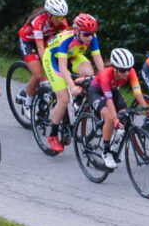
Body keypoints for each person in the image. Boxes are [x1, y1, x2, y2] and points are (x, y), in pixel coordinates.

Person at [41, 13, 105, 154]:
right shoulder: (66, 39)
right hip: (53, 59)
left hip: (73, 55)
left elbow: (98, 61)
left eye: (92, 34)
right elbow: (63, 68)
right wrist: (72, 86)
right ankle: (53, 134)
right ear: (77, 31)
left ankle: (78, 101)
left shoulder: (92, 39)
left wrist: (106, 79)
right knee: (64, 98)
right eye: (86, 34)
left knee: (89, 74)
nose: (89, 37)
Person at [86, 48, 149, 169]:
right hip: (97, 92)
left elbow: (137, 93)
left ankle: (115, 145)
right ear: (115, 68)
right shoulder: (106, 74)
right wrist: (115, 119)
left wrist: (147, 109)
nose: (127, 73)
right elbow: (109, 100)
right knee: (110, 118)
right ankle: (106, 151)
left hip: (113, 91)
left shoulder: (131, 72)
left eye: (128, 69)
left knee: (125, 118)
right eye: (123, 70)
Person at [15, 0, 70, 112]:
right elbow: (40, 47)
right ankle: (27, 105)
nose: (60, 20)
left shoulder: (62, 22)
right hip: (28, 41)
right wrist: (48, 65)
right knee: (38, 74)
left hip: (45, 39)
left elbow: (66, 42)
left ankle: (32, 89)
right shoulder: (39, 21)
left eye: (62, 17)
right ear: (49, 14)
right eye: (57, 17)